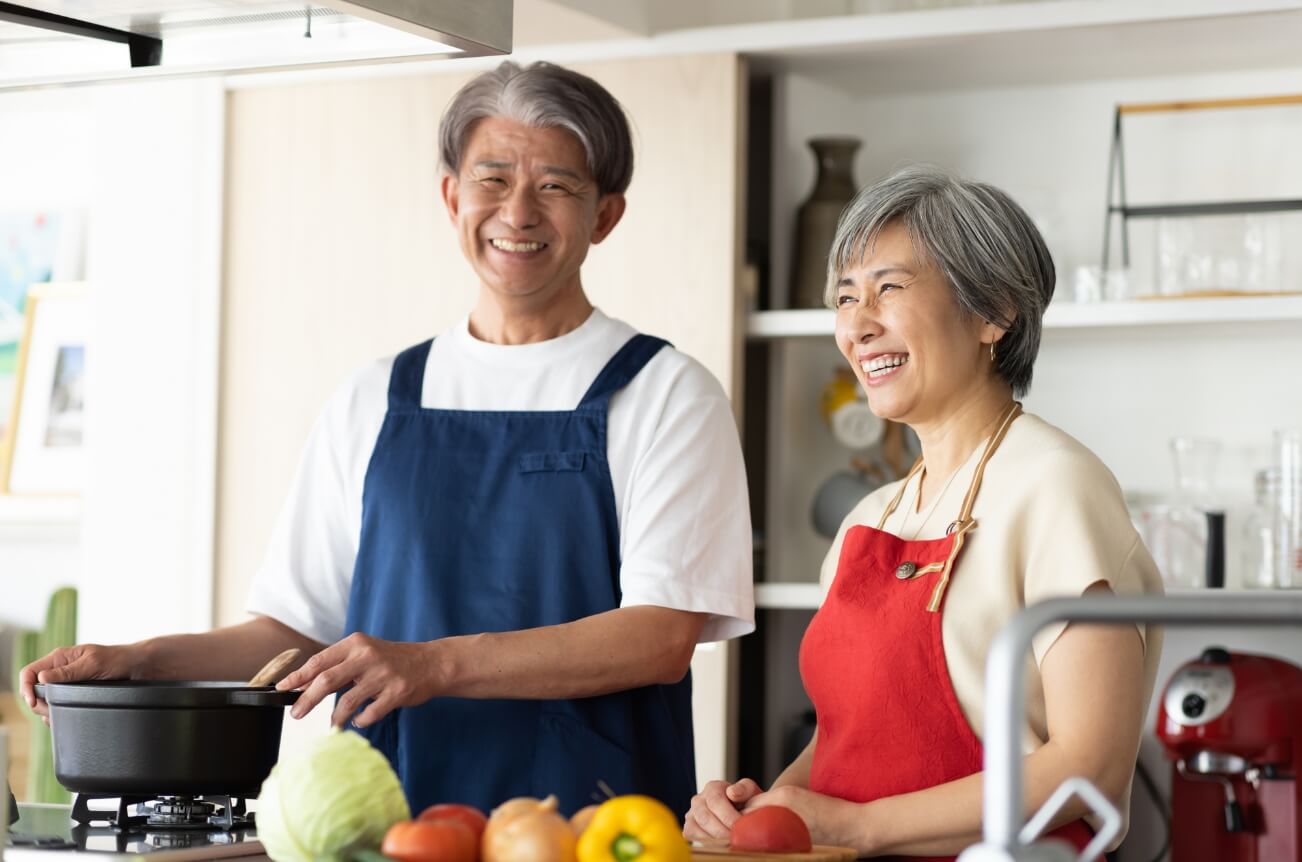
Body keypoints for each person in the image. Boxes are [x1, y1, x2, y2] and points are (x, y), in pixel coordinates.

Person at [21, 61, 754, 819]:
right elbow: (294, 630)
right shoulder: (373, 396)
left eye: (557, 186)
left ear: (605, 215)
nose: (518, 212)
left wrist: (432, 663)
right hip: (392, 819)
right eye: (492, 179)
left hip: (593, 824)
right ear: (451, 197)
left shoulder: (668, 393)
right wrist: (140, 663)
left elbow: (661, 637)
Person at [684, 166, 1162, 859]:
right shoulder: (870, 518)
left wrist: (855, 827)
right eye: (846, 298)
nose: (858, 325)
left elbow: (1089, 766)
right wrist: (760, 815)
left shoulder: (1057, 486)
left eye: (889, 289)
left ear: (994, 312)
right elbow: (838, 747)